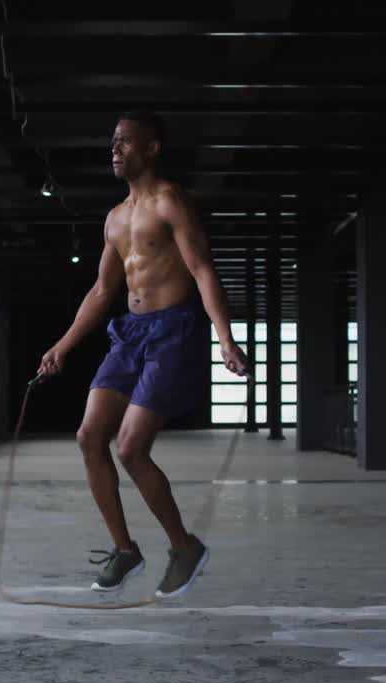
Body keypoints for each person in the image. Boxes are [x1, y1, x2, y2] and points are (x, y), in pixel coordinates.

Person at [37, 110, 250, 599]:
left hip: (173, 331)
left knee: (130, 448)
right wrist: (62, 346)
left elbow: (201, 270)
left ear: (152, 148)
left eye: (125, 142)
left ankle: (184, 546)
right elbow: (101, 289)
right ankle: (125, 549)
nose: (115, 150)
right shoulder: (115, 218)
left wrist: (225, 337)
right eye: (112, 142)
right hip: (129, 333)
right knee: (90, 435)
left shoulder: (170, 201)